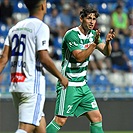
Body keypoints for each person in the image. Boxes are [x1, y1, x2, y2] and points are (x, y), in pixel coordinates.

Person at [0, 0, 68, 133]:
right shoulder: (41, 27)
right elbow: (43, 57)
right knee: (25, 128)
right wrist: (61, 77)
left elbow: (3, 60)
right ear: (43, 6)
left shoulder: (15, 28)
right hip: (31, 86)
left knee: (39, 127)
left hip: (16, 85)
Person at [46, 5, 115, 133]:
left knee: (96, 117)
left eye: (94, 19)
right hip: (68, 84)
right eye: (89, 18)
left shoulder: (93, 34)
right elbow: (79, 57)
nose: (92, 21)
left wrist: (108, 42)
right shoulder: (71, 35)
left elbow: (106, 52)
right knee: (60, 120)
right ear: (81, 18)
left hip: (83, 85)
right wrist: (93, 44)